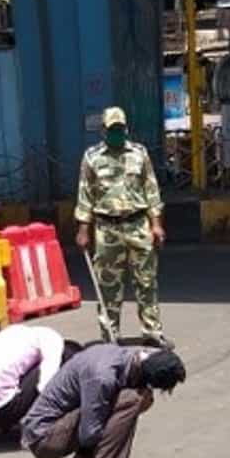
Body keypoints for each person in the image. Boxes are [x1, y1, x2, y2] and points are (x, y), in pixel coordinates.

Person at [21, 346, 186, 458]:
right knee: (134, 399)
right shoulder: (103, 376)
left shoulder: (131, 357)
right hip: (44, 438)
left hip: (56, 426)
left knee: (137, 398)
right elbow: (89, 433)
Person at [75, 106, 171, 348]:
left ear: (126, 128)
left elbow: (151, 190)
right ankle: (110, 335)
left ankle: (152, 333)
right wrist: (83, 229)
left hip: (138, 225)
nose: (117, 133)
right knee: (107, 286)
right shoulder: (92, 157)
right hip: (107, 229)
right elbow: (85, 194)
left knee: (146, 282)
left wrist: (156, 225)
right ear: (104, 130)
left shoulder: (139, 153)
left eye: (120, 128)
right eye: (112, 129)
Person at [0, 325, 80, 437]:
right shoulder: (53, 342)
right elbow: (45, 387)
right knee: (61, 361)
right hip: (3, 410)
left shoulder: (18, 334)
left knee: (11, 373)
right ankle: (33, 427)